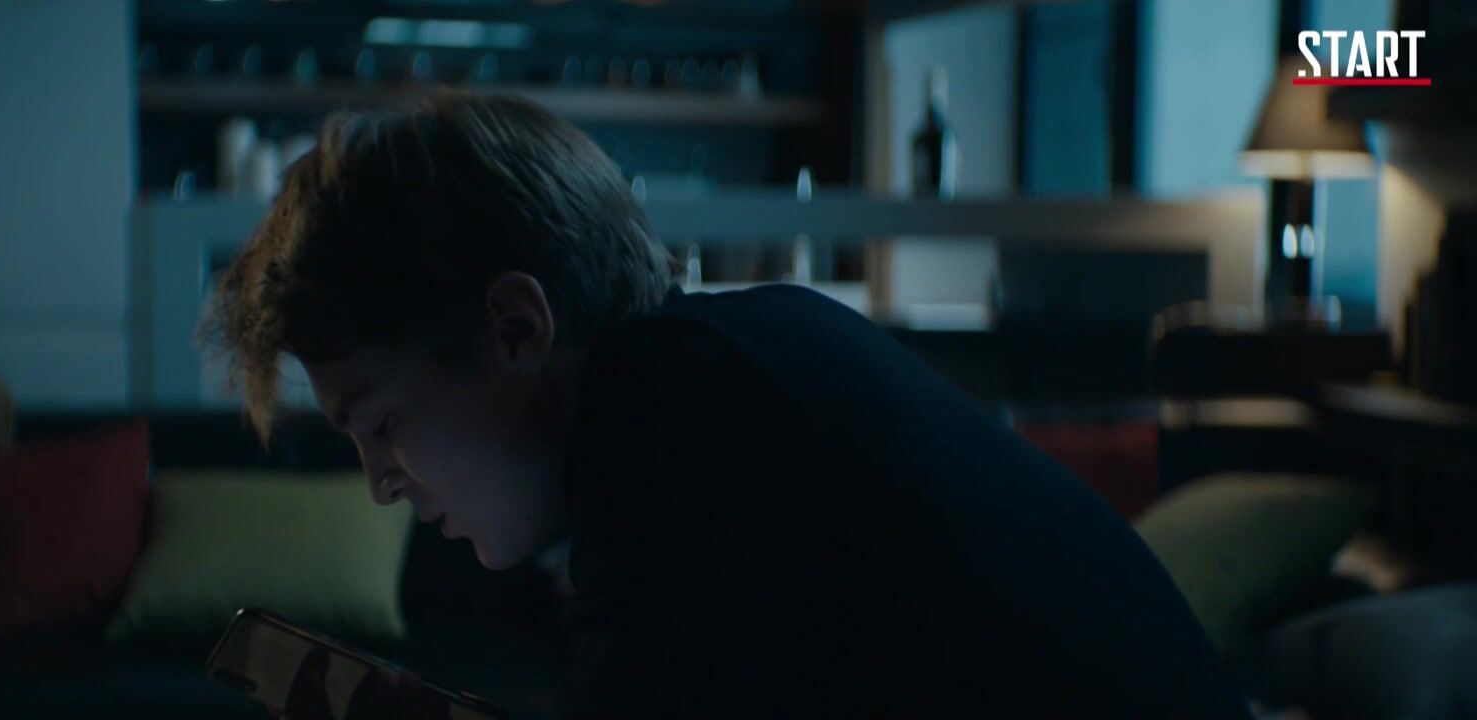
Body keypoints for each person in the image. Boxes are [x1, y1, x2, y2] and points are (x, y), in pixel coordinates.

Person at [205, 91, 1250, 719]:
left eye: (380, 424)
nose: (380, 485)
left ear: (516, 328)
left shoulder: (672, 407)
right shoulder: (745, 356)